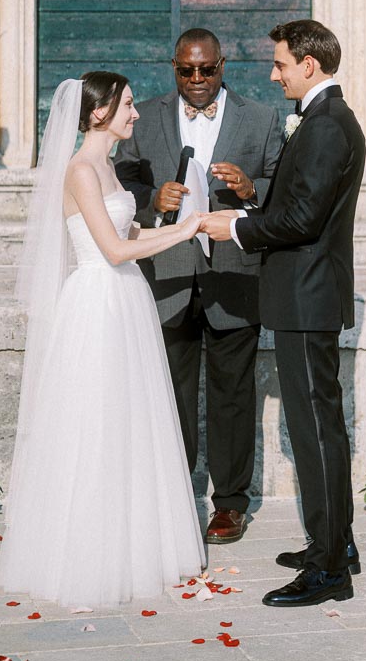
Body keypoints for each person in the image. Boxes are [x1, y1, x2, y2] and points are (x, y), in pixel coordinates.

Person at [0, 72, 207, 608]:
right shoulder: (80, 170)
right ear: (98, 114)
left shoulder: (107, 168)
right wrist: (182, 233)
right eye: (128, 106)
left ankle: (134, 542)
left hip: (126, 299)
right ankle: (88, 553)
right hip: (97, 300)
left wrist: (191, 223)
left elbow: (131, 234)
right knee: (93, 423)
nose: (136, 114)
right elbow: (111, 250)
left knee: (129, 421)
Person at [203, 19, 365, 608]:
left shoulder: (324, 127)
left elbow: (302, 222)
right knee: (322, 427)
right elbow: (297, 201)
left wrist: (236, 227)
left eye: (280, 65)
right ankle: (335, 544)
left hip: (306, 297)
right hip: (307, 295)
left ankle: (327, 571)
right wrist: (252, 197)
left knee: (315, 431)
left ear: (309, 66)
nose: (273, 75)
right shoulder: (323, 121)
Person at [114, 29, 282, 544]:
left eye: (206, 69)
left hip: (234, 276)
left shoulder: (262, 118)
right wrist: (152, 200)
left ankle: (230, 504)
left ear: (223, 66)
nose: (197, 80)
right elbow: (119, 182)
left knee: (233, 397)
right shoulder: (145, 116)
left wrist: (253, 189)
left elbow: (285, 187)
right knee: (170, 396)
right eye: (186, 71)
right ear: (173, 68)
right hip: (167, 278)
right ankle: (173, 497)